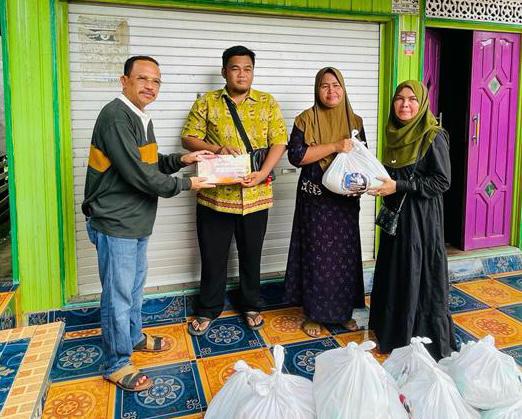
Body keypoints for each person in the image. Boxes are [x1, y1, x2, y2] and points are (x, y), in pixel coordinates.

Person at [82, 56, 214, 391]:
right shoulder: (116, 116)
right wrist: (187, 184)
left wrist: (182, 159)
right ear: (123, 80)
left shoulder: (141, 117)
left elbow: (150, 164)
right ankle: (116, 363)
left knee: (133, 289)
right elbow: (139, 175)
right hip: (115, 222)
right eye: (142, 79)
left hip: (136, 221)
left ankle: (134, 337)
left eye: (156, 81)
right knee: (118, 295)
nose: (149, 86)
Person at [181, 45, 287, 335]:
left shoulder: (267, 102)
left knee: (252, 253)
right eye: (235, 68)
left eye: (247, 68)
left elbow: (280, 141)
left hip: (256, 194)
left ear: (253, 71)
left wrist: (263, 173)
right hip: (215, 195)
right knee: (212, 255)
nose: (242, 74)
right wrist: (215, 148)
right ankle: (208, 308)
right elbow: (188, 138)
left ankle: (251, 304)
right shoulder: (208, 103)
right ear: (224, 71)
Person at [368, 80, 456, 360]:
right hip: (397, 218)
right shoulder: (393, 133)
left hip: (422, 220)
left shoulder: (433, 135)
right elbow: (394, 176)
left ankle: (418, 337)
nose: (405, 105)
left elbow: (441, 181)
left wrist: (400, 187)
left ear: (422, 103)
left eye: (411, 99)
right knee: (397, 271)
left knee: (417, 271)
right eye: (399, 99)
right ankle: (393, 333)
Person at [285, 67, 366, 337]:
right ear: (317, 90)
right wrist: (333, 146)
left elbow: (362, 158)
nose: (331, 91)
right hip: (315, 202)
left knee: (344, 257)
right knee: (316, 257)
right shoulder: (305, 119)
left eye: (336, 85)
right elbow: (296, 156)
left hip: (344, 202)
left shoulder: (355, 121)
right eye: (324, 86)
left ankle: (342, 313)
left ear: (343, 88)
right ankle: (314, 315)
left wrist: (365, 184)